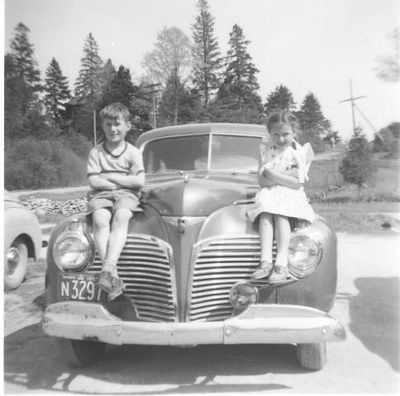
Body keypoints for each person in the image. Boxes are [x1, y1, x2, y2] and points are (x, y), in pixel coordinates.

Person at [247, 111, 315, 283]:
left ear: (294, 133)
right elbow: (261, 182)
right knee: (265, 215)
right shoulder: (267, 151)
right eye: (276, 134)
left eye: (285, 134)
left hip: (290, 196)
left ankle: (282, 262)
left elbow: (296, 183)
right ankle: (265, 261)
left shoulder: (296, 153)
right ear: (270, 135)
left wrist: (270, 173)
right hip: (269, 193)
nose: (281, 139)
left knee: (280, 215)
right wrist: (275, 176)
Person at [86, 102, 145, 300]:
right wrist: (120, 183)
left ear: (127, 126)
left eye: (117, 124)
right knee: (100, 219)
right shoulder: (96, 152)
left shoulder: (133, 152)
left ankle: (108, 267)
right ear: (102, 126)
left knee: (122, 215)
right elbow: (93, 180)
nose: (113, 129)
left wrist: (111, 178)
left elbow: (139, 181)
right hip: (101, 194)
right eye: (108, 124)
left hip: (127, 195)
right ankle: (112, 274)